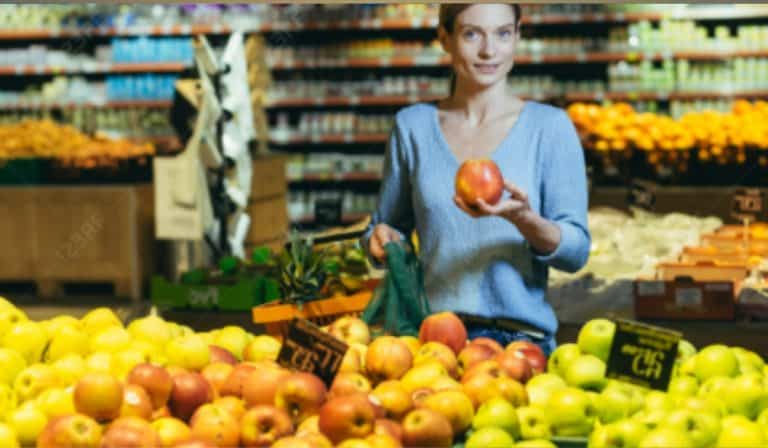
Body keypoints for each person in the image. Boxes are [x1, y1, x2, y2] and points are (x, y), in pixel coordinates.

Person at [362, 3, 590, 356]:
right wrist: (379, 240)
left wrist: (526, 221)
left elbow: (575, 253)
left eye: (502, 34)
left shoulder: (550, 128)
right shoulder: (413, 127)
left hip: (521, 344)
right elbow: (385, 229)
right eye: (472, 34)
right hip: (435, 343)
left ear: (517, 36)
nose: (488, 51)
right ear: (445, 38)